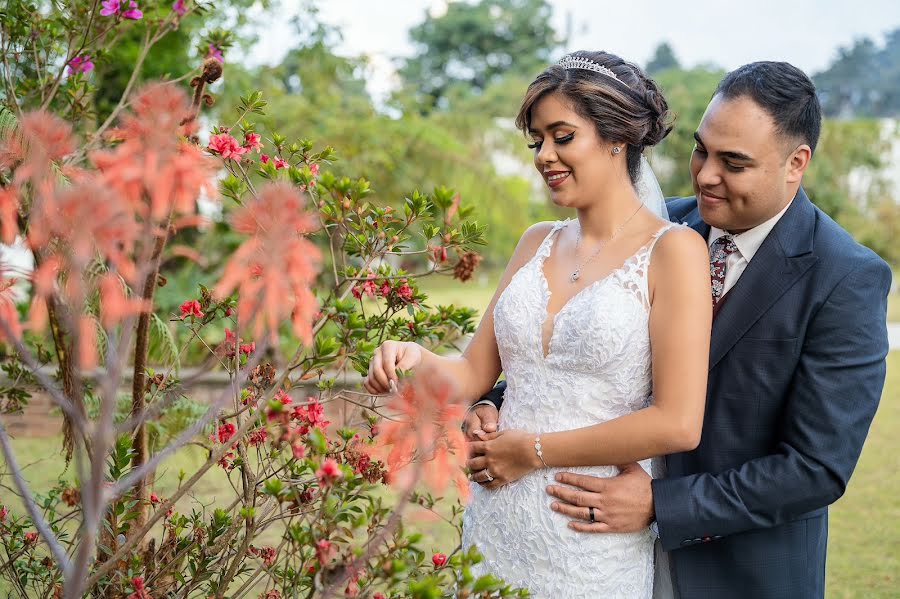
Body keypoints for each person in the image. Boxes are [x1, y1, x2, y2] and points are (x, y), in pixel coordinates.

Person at [466, 61, 893, 599]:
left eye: (733, 162)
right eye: (701, 150)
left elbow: (816, 468)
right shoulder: (651, 229)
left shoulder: (845, 277)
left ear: (796, 163)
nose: (705, 175)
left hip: (735, 569)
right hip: (588, 543)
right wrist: (494, 399)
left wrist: (661, 503)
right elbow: (594, 362)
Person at [364, 50, 712, 597]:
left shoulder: (675, 252)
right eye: (536, 141)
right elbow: (470, 375)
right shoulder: (536, 241)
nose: (544, 155)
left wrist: (533, 452)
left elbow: (677, 423)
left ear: (617, 137)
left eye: (562, 136)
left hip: (589, 537)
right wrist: (412, 357)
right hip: (497, 525)